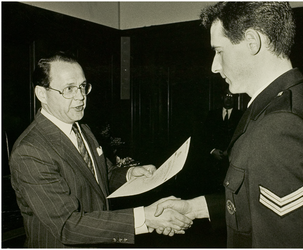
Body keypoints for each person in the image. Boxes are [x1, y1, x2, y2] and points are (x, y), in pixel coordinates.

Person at [154, 2, 303, 247]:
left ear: (251, 42)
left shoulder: (278, 129)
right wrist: (195, 208)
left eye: (219, 51)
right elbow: (258, 200)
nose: (214, 66)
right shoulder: (297, 99)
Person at [9, 52, 192, 248]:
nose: (80, 97)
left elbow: (100, 176)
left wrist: (129, 174)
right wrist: (145, 217)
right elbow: (67, 226)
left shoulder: (82, 129)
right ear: (42, 94)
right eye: (69, 89)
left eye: (82, 87)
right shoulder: (30, 151)